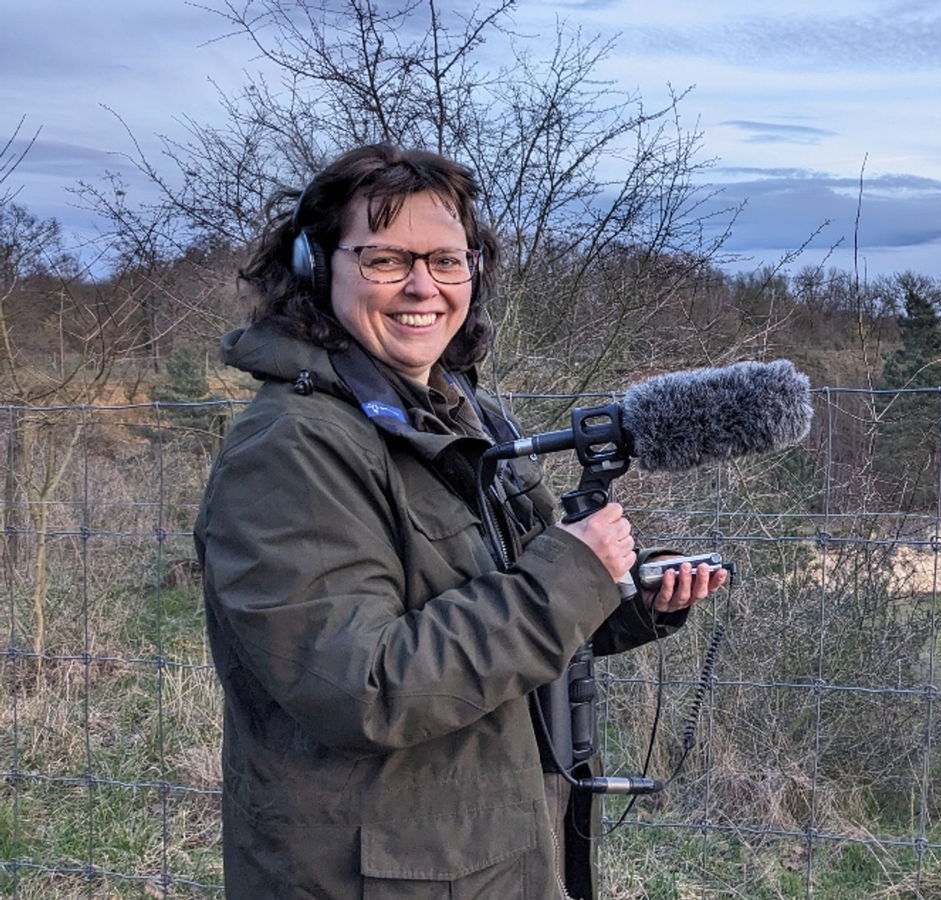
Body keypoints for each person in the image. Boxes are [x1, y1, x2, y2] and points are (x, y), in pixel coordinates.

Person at [194, 143, 727, 899]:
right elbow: (363, 688)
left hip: (491, 858)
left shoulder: (467, 415)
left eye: (447, 261)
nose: (424, 286)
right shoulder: (289, 450)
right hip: (369, 880)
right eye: (385, 260)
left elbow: (518, 611)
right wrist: (571, 574)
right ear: (315, 268)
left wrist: (625, 594)